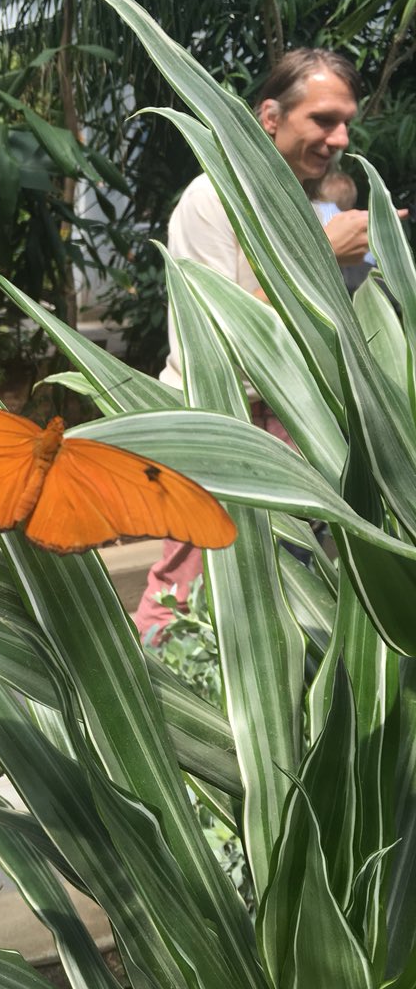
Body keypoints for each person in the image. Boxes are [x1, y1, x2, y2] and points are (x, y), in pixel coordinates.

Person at [134, 48, 407, 643]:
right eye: (324, 119)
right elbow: (215, 331)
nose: (340, 138)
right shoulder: (212, 197)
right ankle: (153, 686)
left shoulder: (309, 205)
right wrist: (321, 253)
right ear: (270, 116)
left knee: (286, 581)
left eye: (346, 123)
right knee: (188, 585)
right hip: (221, 417)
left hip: (296, 421)